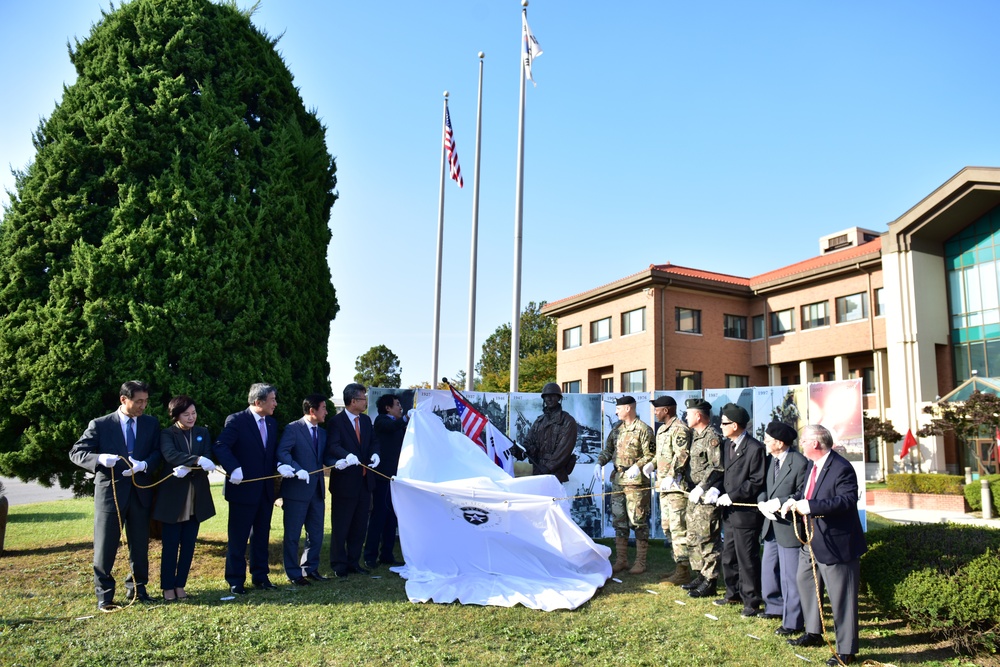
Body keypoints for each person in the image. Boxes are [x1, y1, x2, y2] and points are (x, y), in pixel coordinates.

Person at [69, 380, 162, 611]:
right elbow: (76, 452)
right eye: (139, 401)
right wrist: (99, 459)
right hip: (110, 495)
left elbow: (157, 453)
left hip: (140, 494)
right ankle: (105, 596)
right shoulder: (100, 425)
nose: (143, 406)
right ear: (123, 400)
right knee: (106, 546)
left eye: (146, 401)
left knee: (140, 546)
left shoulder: (150, 423)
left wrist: (145, 465)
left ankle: (138, 589)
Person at [781, 424, 867, 666]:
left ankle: (846, 650)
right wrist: (792, 502)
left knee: (842, 598)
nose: (801, 446)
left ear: (815, 444)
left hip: (836, 543)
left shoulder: (841, 467)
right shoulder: (812, 465)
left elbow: (847, 500)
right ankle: (813, 632)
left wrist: (811, 507)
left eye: (803, 441)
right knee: (805, 581)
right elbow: (806, 492)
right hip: (811, 539)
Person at [213, 382, 279, 595]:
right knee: (239, 537)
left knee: (262, 536)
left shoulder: (272, 424)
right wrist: (234, 469)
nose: (275, 404)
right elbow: (221, 446)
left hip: (265, 491)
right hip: (243, 490)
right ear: (258, 402)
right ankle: (235, 580)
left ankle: (260, 576)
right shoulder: (237, 420)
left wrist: (281, 465)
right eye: (272, 400)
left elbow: (269, 454)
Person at [154, 395, 217, 601]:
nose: (192, 417)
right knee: (171, 544)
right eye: (186, 414)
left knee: (189, 544)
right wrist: (196, 460)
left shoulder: (202, 432)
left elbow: (207, 455)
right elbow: (170, 455)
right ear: (176, 415)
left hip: (196, 495)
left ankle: (181, 584)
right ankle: (167, 587)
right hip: (174, 496)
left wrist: (199, 462)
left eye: (194, 413)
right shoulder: (167, 433)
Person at [711, 403, 767, 617]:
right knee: (729, 556)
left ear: (734, 425)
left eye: (724, 423)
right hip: (730, 513)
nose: (721, 426)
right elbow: (725, 475)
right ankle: (732, 592)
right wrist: (716, 490)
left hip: (746, 513)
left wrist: (732, 496)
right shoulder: (728, 445)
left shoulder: (755, 448)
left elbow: (756, 481)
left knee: (747, 558)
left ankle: (751, 601)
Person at [757, 420, 808, 636]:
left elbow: (802, 492)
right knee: (769, 570)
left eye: (768, 439)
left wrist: (782, 501)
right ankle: (775, 607)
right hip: (771, 526)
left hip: (789, 526)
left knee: (790, 577)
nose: (765, 442)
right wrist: (762, 502)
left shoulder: (799, 462)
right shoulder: (772, 460)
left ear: (779, 442)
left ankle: (793, 622)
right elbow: (764, 488)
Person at [594, 395, 655, 575]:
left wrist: (638, 466)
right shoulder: (617, 429)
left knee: (638, 521)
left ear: (628, 408)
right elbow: (608, 450)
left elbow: (651, 455)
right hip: (618, 480)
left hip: (636, 482)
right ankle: (621, 560)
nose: (616, 411)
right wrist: (599, 462)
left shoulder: (644, 429)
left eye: (619, 408)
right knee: (619, 521)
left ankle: (640, 561)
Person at [325, 382, 380, 578]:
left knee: (359, 526)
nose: (366, 402)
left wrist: (375, 454)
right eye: (363, 398)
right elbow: (333, 445)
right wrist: (346, 455)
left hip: (365, 483)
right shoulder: (336, 422)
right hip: (345, 484)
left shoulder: (365, 421)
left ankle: (353, 561)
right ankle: (339, 564)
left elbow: (373, 441)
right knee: (342, 525)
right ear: (353, 400)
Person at [276, 393, 329, 585]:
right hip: (296, 491)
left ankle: (310, 568)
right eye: (324, 408)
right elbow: (282, 452)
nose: (327, 412)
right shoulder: (293, 428)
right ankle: (293, 573)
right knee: (292, 535)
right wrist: (297, 469)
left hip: (317, 491)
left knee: (316, 534)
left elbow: (324, 457)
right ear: (312, 410)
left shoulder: (322, 433)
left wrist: (339, 461)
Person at [645, 395, 693, 585]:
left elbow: (682, 454)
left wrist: (672, 475)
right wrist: (651, 464)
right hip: (664, 487)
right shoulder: (662, 430)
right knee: (667, 528)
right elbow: (661, 454)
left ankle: (683, 571)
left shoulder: (679, 429)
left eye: (657, 409)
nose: (655, 413)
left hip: (676, 488)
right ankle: (678, 567)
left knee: (678, 528)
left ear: (666, 410)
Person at [681, 399, 724, 599]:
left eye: (689, 413)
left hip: (706, 494)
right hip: (693, 494)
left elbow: (717, 466)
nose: (686, 417)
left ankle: (711, 580)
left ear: (698, 416)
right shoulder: (695, 436)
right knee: (693, 536)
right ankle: (700, 574)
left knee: (707, 537)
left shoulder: (712, 437)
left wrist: (702, 486)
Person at [364, 393, 407, 570]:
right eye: (397, 405)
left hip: (395, 478)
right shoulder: (381, 421)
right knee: (379, 515)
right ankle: (370, 556)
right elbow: (392, 427)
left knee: (392, 517)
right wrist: (406, 418)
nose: (400, 407)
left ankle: (387, 554)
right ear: (388, 408)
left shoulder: (398, 425)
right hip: (382, 477)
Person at [514, 382, 578, 482]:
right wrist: (518, 451)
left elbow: (563, 451)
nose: (549, 399)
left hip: (556, 475)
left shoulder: (568, 421)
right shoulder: (539, 422)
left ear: (559, 398)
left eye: (552, 395)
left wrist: (548, 467)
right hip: (537, 471)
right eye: (546, 396)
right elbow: (528, 443)